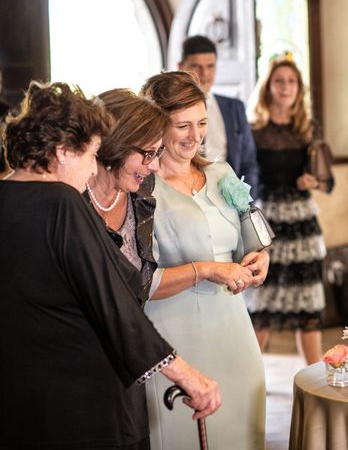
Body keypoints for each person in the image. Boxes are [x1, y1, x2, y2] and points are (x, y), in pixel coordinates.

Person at [0, 81, 221, 449]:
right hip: (82, 406)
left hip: (20, 403)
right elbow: (113, 303)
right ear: (62, 152)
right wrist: (188, 376)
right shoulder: (61, 202)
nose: (91, 171)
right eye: (90, 156)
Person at [141, 71, 269, 450]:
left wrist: (260, 259)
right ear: (156, 124)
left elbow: (252, 242)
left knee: (242, 431)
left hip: (233, 331)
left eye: (201, 123)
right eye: (182, 125)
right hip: (173, 337)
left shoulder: (221, 173)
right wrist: (208, 270)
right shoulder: (142, 187)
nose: (194, 135)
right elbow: (139, 280)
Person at [243, 55, 331, 365]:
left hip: (300, 219)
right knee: (262, 303)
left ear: (299, 89)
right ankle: (250, 376)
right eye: (279, 81)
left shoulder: (307, 130)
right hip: (266, 219)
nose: (285, 87)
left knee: (306, 302)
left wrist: (313, 181)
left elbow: (326, 180)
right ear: (268, 88)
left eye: (291, 81)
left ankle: (317, 377)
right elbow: (243, 173)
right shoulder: (254, 130)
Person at [84, 88, 168, 303]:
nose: (155, 166)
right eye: (148, 153)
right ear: (116, 144)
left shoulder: (141, 194)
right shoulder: (71, 199)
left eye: (158, 153)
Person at [178, 35, 259, 199]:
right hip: (187, 199)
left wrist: (244, 202)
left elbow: (248, 163)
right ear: (181, 67)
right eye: (196, 66)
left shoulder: (235, 108)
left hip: (230, 202)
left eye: (210, 66)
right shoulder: (170, 113)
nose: (204, 74)